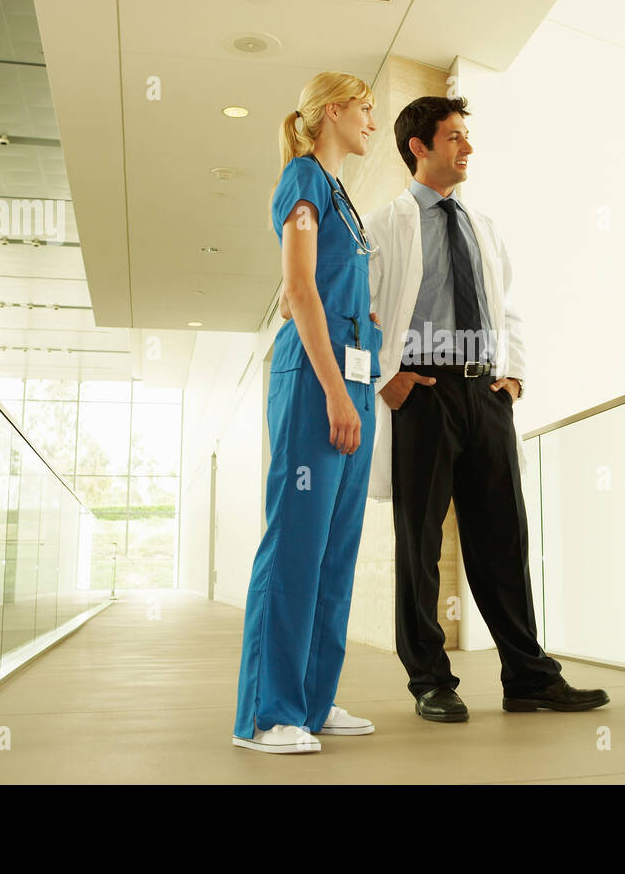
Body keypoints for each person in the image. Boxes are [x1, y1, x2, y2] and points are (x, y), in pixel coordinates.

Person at [364, 95, 609, 722]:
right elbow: (357, 311)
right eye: (454, 137)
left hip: (485, 394)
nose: (467, 148)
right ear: (419, 147)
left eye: (467, 136)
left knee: (504, 535)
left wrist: (514, 378)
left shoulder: (481, 225)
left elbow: (508, 306)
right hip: (421, 394)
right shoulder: (386, 223)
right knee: (418, 544)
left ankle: (528, 677)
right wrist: (383, 379)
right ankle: (429, 679)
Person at [232, 72, 382, 754]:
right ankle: (267, 714)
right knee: (295, 545)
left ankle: (312, 702)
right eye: (365, 109)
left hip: (351, 377)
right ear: (331, 113)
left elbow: (325, 286)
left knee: (334, 552)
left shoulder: (342, 198)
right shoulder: (302, 180)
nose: (373, 122)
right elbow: (297, 288)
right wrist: (333, 390)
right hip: (317, 385)